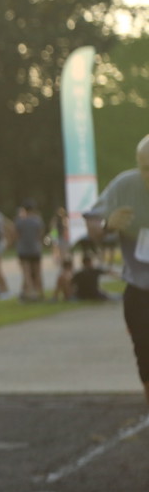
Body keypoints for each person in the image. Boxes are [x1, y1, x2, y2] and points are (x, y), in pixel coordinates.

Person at [85, 134, 149, 405]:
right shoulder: (125, 185)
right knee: (145, 355)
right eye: (146, 169)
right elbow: (93, 226)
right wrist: (107, 225)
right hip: (141, 288)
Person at [14, 198, 45, 301]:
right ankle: (40, 292)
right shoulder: (37, 220)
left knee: (26, 273)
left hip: (23, 249)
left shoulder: (20, 221)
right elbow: (40, 234)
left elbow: (17, 235)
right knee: (37, 272)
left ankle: (30, 293)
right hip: (35, 248)